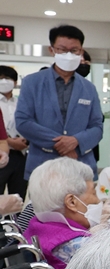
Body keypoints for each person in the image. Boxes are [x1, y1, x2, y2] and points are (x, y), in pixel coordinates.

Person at [15, 25, 103, 180]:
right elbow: (23, 121)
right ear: (52, 50)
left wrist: (76, 141)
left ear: (81, 51)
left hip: (80, 165)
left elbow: (97, 126)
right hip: (43, 165)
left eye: (74, 50)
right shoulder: (32, 82)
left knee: (83, 204)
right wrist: (62, 144)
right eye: (62, 49)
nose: (68, 54)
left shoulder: (89, 88)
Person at [23, 157, 99, 269]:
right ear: (72, 202)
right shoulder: (83, 247)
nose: (98, 200)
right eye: (94, 193)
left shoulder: (35, 226)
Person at [0, 66, 28, 196]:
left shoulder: (21, 103)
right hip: (1, 153)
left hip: (20, 154)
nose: (4, 81)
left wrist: (26, 141)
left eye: (8, 78)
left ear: (15, 82)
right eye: (0, 78)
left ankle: (17, 217)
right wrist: (9, 142)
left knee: (18, 195)